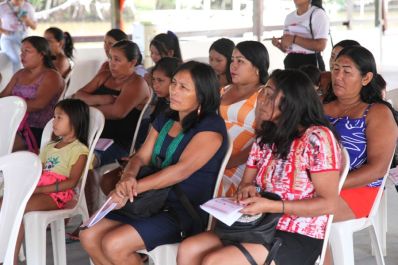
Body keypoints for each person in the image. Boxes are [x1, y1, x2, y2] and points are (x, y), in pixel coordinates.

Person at [177, 69, 342, 265]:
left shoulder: (317, 138)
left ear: (292, 100)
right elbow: (246, 183)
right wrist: (247, 191)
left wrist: (272, 206)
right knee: (189, 248)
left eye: (270, 94)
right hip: (258, 224)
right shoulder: (266, 135)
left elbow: (329, 204)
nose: (261, 98)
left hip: (297, 233)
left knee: (216, 261)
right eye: (263, 91)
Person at [80, 61, 228, 265]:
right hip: (148, 201)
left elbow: (180, 171)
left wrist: (131, 189)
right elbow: (140, 157)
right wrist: (129, 177)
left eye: (183, 87)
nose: (174, 91)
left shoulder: (210, 127)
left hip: (181, 209)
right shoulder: (166, 119)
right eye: (174, 83)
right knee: (88, 235)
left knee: (114, 244)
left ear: (202, 95)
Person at [0, 98, 90, 265]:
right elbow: (39, 169)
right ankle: (3, 251)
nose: (53, 121)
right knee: (5, 204)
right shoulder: (50, 146)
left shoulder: (79, 150)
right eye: (54, 116)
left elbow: (72, 182)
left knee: (19, 208)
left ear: (75, 121)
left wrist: (41, 190)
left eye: (59, 117)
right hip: (40, 188)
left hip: (57, 194)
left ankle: (10, 259)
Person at [324, 46, 398, 223]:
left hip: (359, 190)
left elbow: (378, 169)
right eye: (335, 69)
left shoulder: (377, 113)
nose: (338, 77)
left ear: (366, 78)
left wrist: (330, 185)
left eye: (347, 72)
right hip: (319, 185)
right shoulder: (320, 105)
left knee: (299, 216)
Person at [100, 57, 182, 196]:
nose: (155, 85)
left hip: (161, 162)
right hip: (149, 155)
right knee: (107, 180)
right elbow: (150, 140)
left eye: (161, 81)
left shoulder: (179, 110)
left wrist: (138, 163)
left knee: (111, 181)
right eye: (154, 80)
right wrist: (134, 159)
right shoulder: (162, 103)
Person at [74, 40, 150, 167]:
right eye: (110, 58)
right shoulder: (104, 76)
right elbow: (78, 95)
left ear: (132, 62)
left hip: (118, 143)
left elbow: (117, 112)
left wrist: (84, 108)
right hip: (91, 136)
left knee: (80, 162)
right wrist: (101, 99)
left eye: (117, 60)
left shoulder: (137, 83)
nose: (112, 64)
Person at [220, 40, 269, 197]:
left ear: (257, 67)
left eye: (240, 61)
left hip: (240, 166)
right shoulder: (224, 90)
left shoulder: (264, 96)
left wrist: (228, 162)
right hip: (211, 157)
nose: (233, 66)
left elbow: (263, 141)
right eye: (232, 60)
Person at [0, 36, 64, 149]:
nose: (22, 55)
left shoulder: (51, 76)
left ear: (42, 54)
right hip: (14, 125)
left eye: (27, 51)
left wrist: (11, 106)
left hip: (36, 130)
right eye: (21, 51)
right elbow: (3, 97)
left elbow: (39, 104)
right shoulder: (19, 74)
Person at [272, 0, 329, 70]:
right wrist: (279, 45)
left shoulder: (318, 13)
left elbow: (321, 45)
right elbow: (287, 49)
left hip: (310, 65)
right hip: (291, 63)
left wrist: (294, 39)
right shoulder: (289, 17)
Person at [0, 0, 37, 73]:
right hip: (8, 38)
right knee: (18, 59)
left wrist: (26, 19)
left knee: (32, 59)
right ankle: (18, 82)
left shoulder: (28, 7)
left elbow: (34, 27)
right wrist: (4, 31)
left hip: (24, 37)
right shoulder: (2, 6)